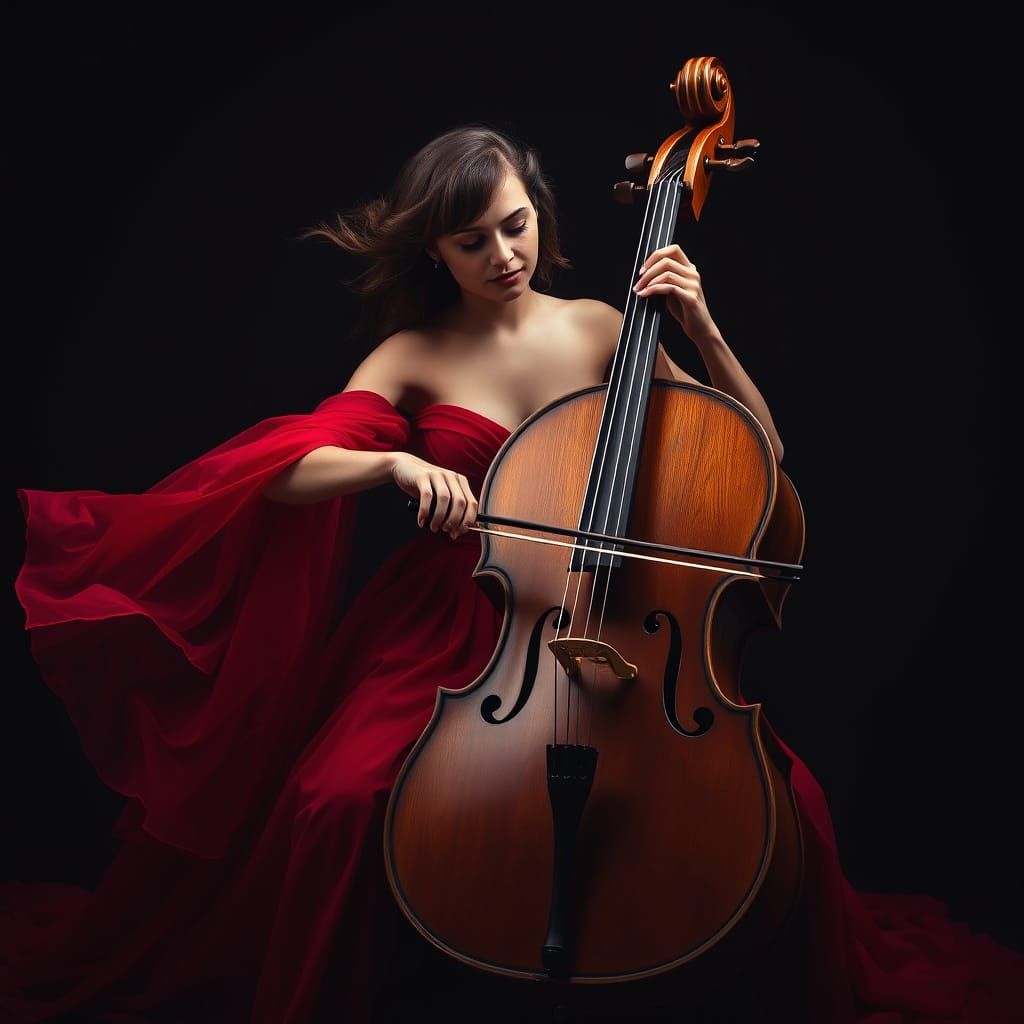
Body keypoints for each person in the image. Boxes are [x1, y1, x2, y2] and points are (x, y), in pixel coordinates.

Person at [2, 124, 1021, 1024]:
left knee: (790, 807)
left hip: (622, 621)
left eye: (515, 224)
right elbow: (293, 470)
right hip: (452, 623)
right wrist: (397, 460)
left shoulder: (601, 326)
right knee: (333, 801)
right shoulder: (414, 349)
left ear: (539, 213)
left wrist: (700, 325)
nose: (502, 254)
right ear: (434, 250)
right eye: (472, 239)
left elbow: (753, 454)